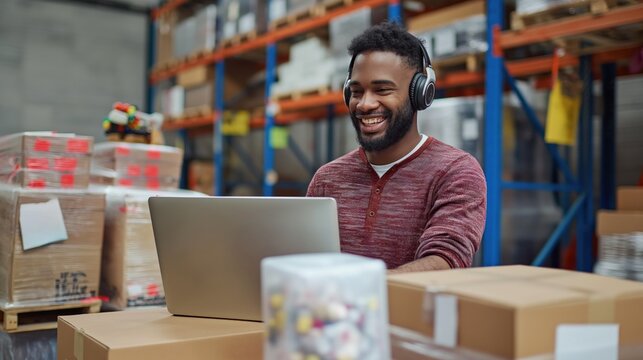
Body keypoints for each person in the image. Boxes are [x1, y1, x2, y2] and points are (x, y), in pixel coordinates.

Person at [306, 22, 487, 273]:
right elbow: (305, 261)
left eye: (382, 90)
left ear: (420, 93)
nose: (365, 104)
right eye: (356, 91)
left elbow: (445, 261)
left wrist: (358, 288)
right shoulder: (327, 179)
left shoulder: (455, 172)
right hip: (333, 312)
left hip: (412, 312)